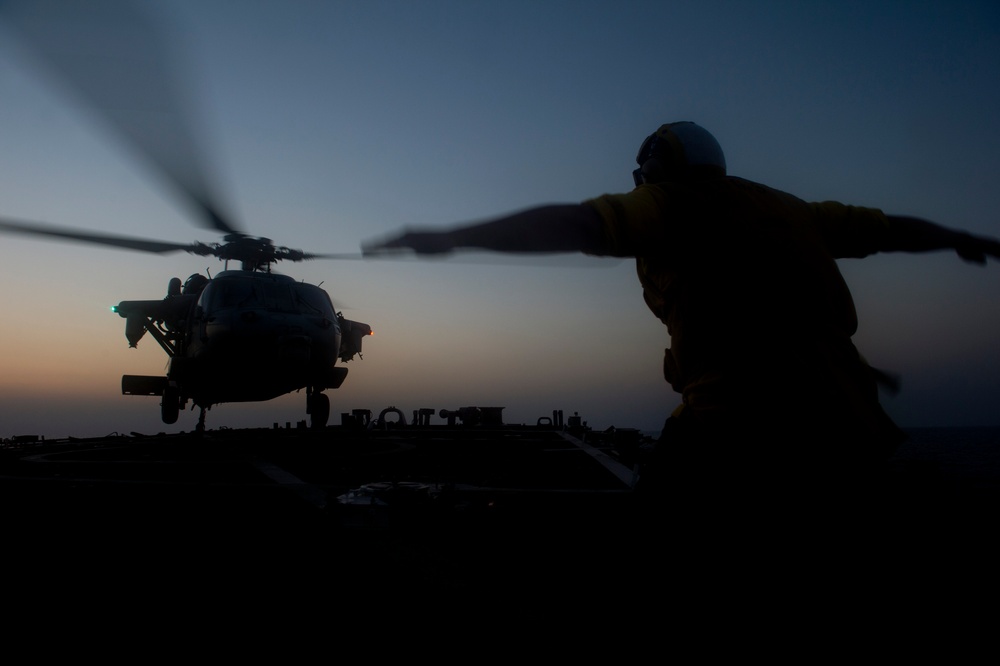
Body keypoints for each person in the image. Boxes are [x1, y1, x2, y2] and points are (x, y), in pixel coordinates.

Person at [363, 121, 1000, 506]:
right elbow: (888, 229)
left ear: (661, 168)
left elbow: (580, 222)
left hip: (739, 422)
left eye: (644, 167)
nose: (638, 178)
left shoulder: (673, 203)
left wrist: (451, 237)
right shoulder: (792, 210)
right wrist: (957, 236)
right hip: (850, 422)